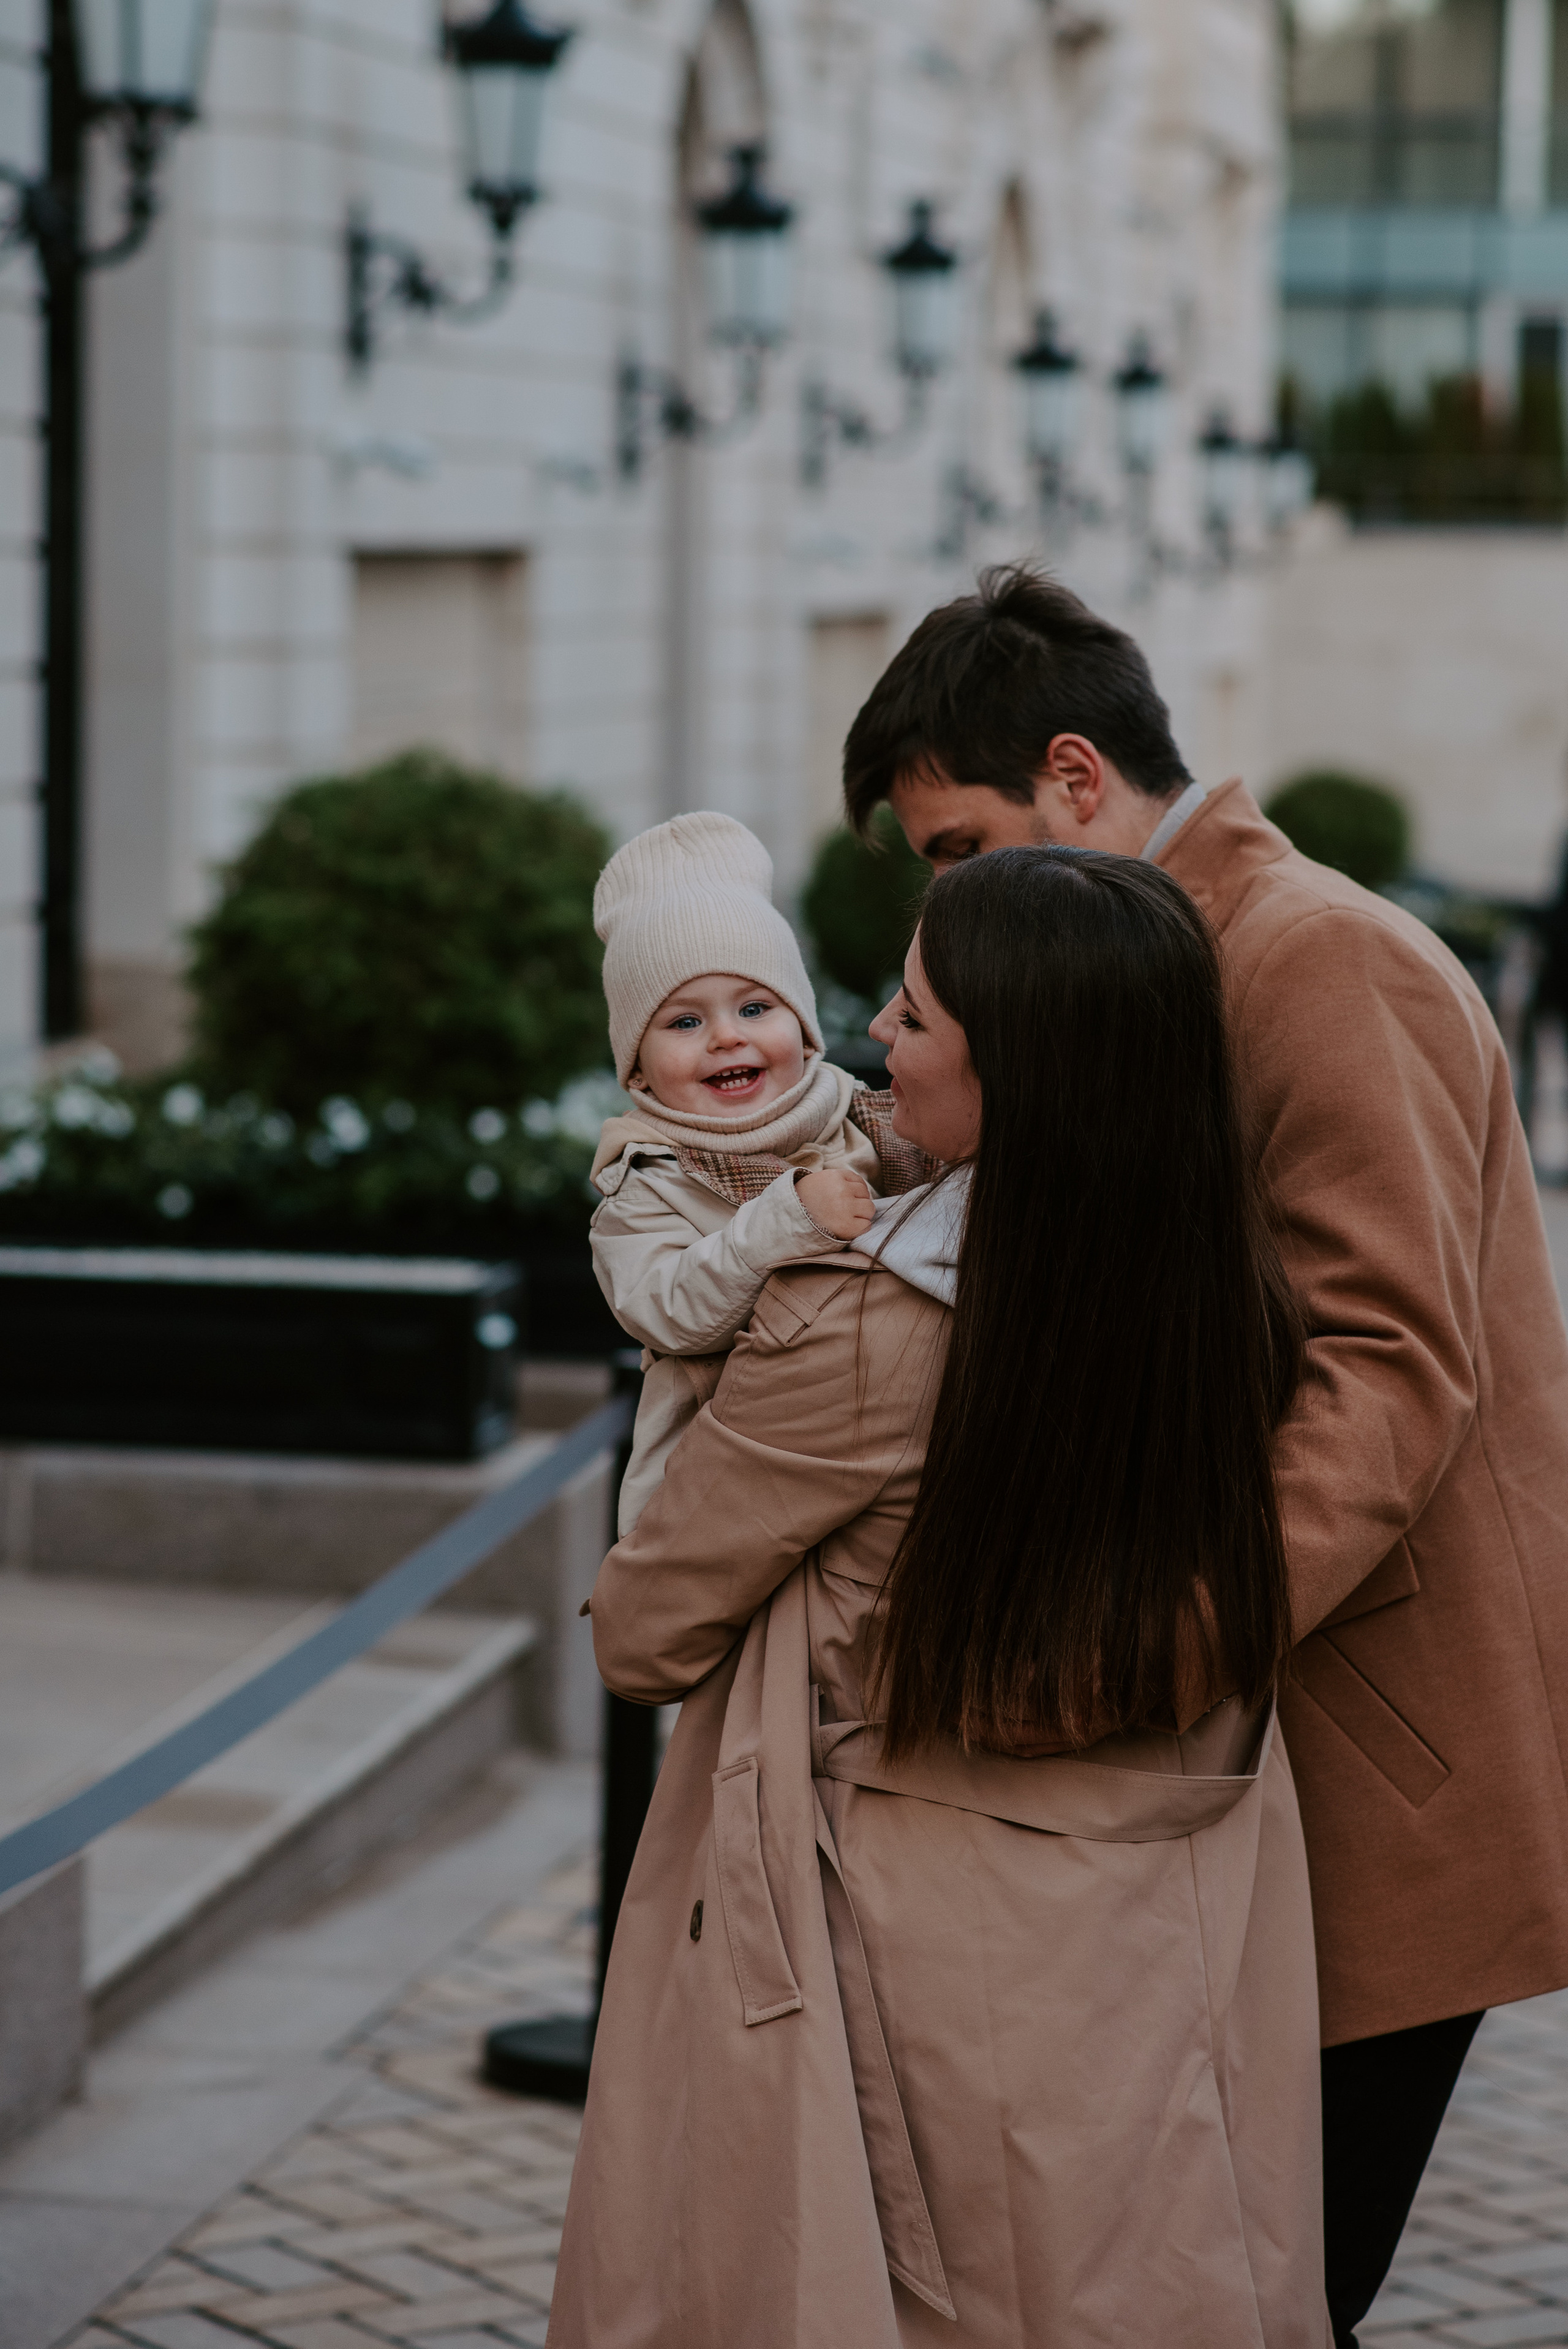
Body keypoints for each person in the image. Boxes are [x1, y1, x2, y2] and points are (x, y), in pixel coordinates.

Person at [841, 563, 1568, 2347]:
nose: (947, 899)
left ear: (1074, 776)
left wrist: (1136, 1649)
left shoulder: (1314, 956)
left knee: (1259, 2296)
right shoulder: (1134, 955)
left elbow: (1389, 1370)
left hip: (1366, 1751)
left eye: (958, 848)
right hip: (1239, 1742)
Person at [549, 848, 1329, 2348]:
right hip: (1174, 1904)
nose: (873, 1040)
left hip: (930, 1934)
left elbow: (645, 1634)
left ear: (1012, 1065)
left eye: (911, 1016)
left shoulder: (860, 1325)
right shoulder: (1219, 1277)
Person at [589, 811, 930, 1530]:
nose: (726, 1036)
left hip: (884, 1467)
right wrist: (781, 1225)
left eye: (754, 1007)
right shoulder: (647, 1180)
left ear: (803, 1030)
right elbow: (668, 1312)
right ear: (638, 1071)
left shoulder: (874, 1120)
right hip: (722, 1497)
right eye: (684, 1022)